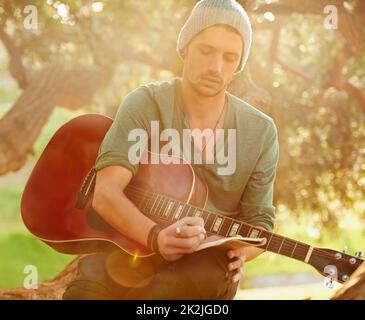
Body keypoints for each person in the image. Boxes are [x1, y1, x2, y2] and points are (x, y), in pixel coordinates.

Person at [63, 0, 279, 300]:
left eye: (230, 57)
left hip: (204, 266)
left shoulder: (261, 131)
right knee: (85, 292)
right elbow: (106, 192)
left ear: (239, 64)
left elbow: (260, 223)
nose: (216, 67)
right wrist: (155, 237)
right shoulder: (145, 103)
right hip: (132, 242)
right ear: (185, 47)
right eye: (206, 50)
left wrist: (242, 252)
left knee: (169, 292)